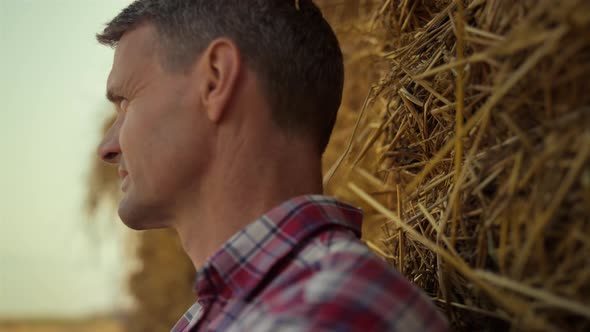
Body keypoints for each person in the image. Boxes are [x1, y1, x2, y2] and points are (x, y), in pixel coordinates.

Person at [96, 0, 449, 331]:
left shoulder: (325, 313)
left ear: (216, 80)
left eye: (126, 102)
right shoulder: (224, 314)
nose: (107, 148)